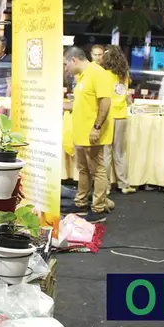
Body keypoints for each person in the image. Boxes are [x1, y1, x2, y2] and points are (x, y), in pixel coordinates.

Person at [65, 45, 114, 222]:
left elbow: (105, 102)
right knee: (83, 169)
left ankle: (98, 207)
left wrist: (97, 127)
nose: (66, 68)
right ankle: (81, 202)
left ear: (74, 60)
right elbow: (79, 104)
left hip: (92, 132)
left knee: (97, 169)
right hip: (80, 132)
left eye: (66, 64)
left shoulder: (97, 73)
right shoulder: (82, 77)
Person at [100, 46, 134, 194]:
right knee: (120, 153)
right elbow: (128, 99)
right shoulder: (124, 75)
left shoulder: (103, 74)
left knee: (106, 153)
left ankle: (106, 186)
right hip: (121, 115)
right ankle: (124, 184)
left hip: (107, 116)